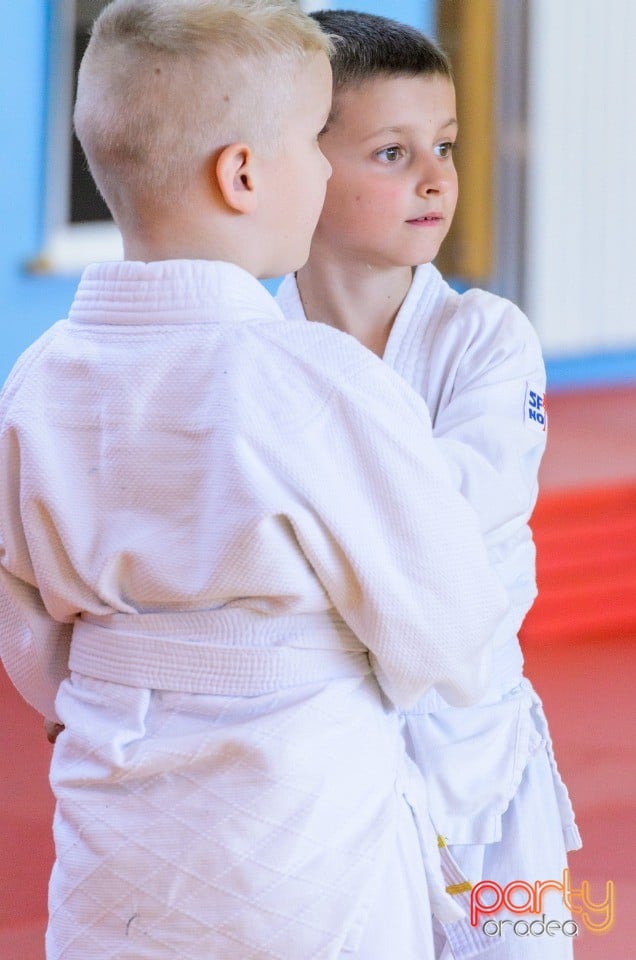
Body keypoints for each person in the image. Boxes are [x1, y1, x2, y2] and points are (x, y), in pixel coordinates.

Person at [0, 1, 510, 958]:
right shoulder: (321, 383)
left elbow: (25, 622)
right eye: (313, 146)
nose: (324, 170)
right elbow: (450, 634)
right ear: (242, 174)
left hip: (112, 860)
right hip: (302, 867)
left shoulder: (39, 377)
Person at [276, 10, 581, 959]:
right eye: (392, 152)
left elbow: (445, 516)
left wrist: (304, 527)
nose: (437, 178)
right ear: (299, 167)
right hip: (318, 767)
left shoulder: (487, 340)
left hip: (479, 753)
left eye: (443, 146)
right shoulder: (253, 348)